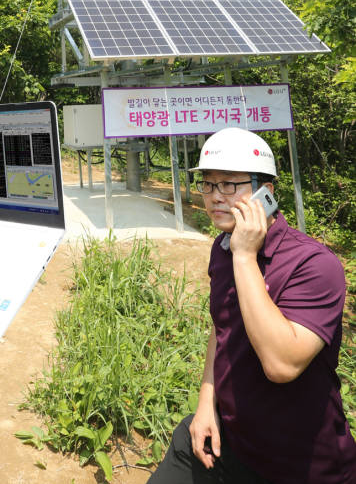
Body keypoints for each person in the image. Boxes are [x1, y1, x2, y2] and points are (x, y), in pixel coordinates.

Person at [150, 127, 356, 484]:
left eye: (230, 185)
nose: (215, 197)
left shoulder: (314, 265)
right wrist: (205, 405)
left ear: (267, 194)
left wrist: (245, 257)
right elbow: (222, 326)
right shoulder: (223, 247)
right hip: (227, 441)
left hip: (298, 465)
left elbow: (281, 364)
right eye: (208, 185)